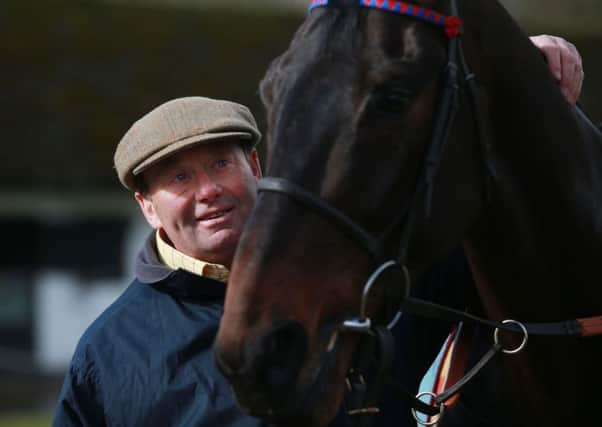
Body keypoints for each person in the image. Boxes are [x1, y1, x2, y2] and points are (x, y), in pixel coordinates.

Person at [53, 35, 584, 427]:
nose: (208, 190)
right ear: (148, 207)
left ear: (256, 167)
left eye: (220, 164)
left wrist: (514, 80)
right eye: (180, 178)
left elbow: (521, 243)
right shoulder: (106, 355)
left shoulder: (369, 268)